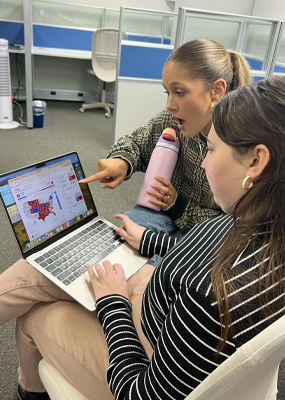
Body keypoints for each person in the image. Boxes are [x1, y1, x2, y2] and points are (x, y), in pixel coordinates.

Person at [2, 75, 285, 400]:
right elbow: (203, 252)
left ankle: (30, 393)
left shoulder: (209, 295)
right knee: (47, 268)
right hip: (161, 304)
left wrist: (112, 303)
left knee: (35, 313)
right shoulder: (261, 223)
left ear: (255, 160)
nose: (205, 162)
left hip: (146, 348)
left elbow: (140, 394)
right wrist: (149, 241)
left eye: (212, 148)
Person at [80, 39, 252, 244]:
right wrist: (122, 161)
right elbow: (135, 143)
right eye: (167, 92)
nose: (169, 104)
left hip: (207, 237)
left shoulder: (242, 147)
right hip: (163, 215)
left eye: (179, 92)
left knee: (158, 271)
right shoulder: (174, 120)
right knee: (122, 241)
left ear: (216, 91)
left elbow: (233, 228)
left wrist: (178, 206)